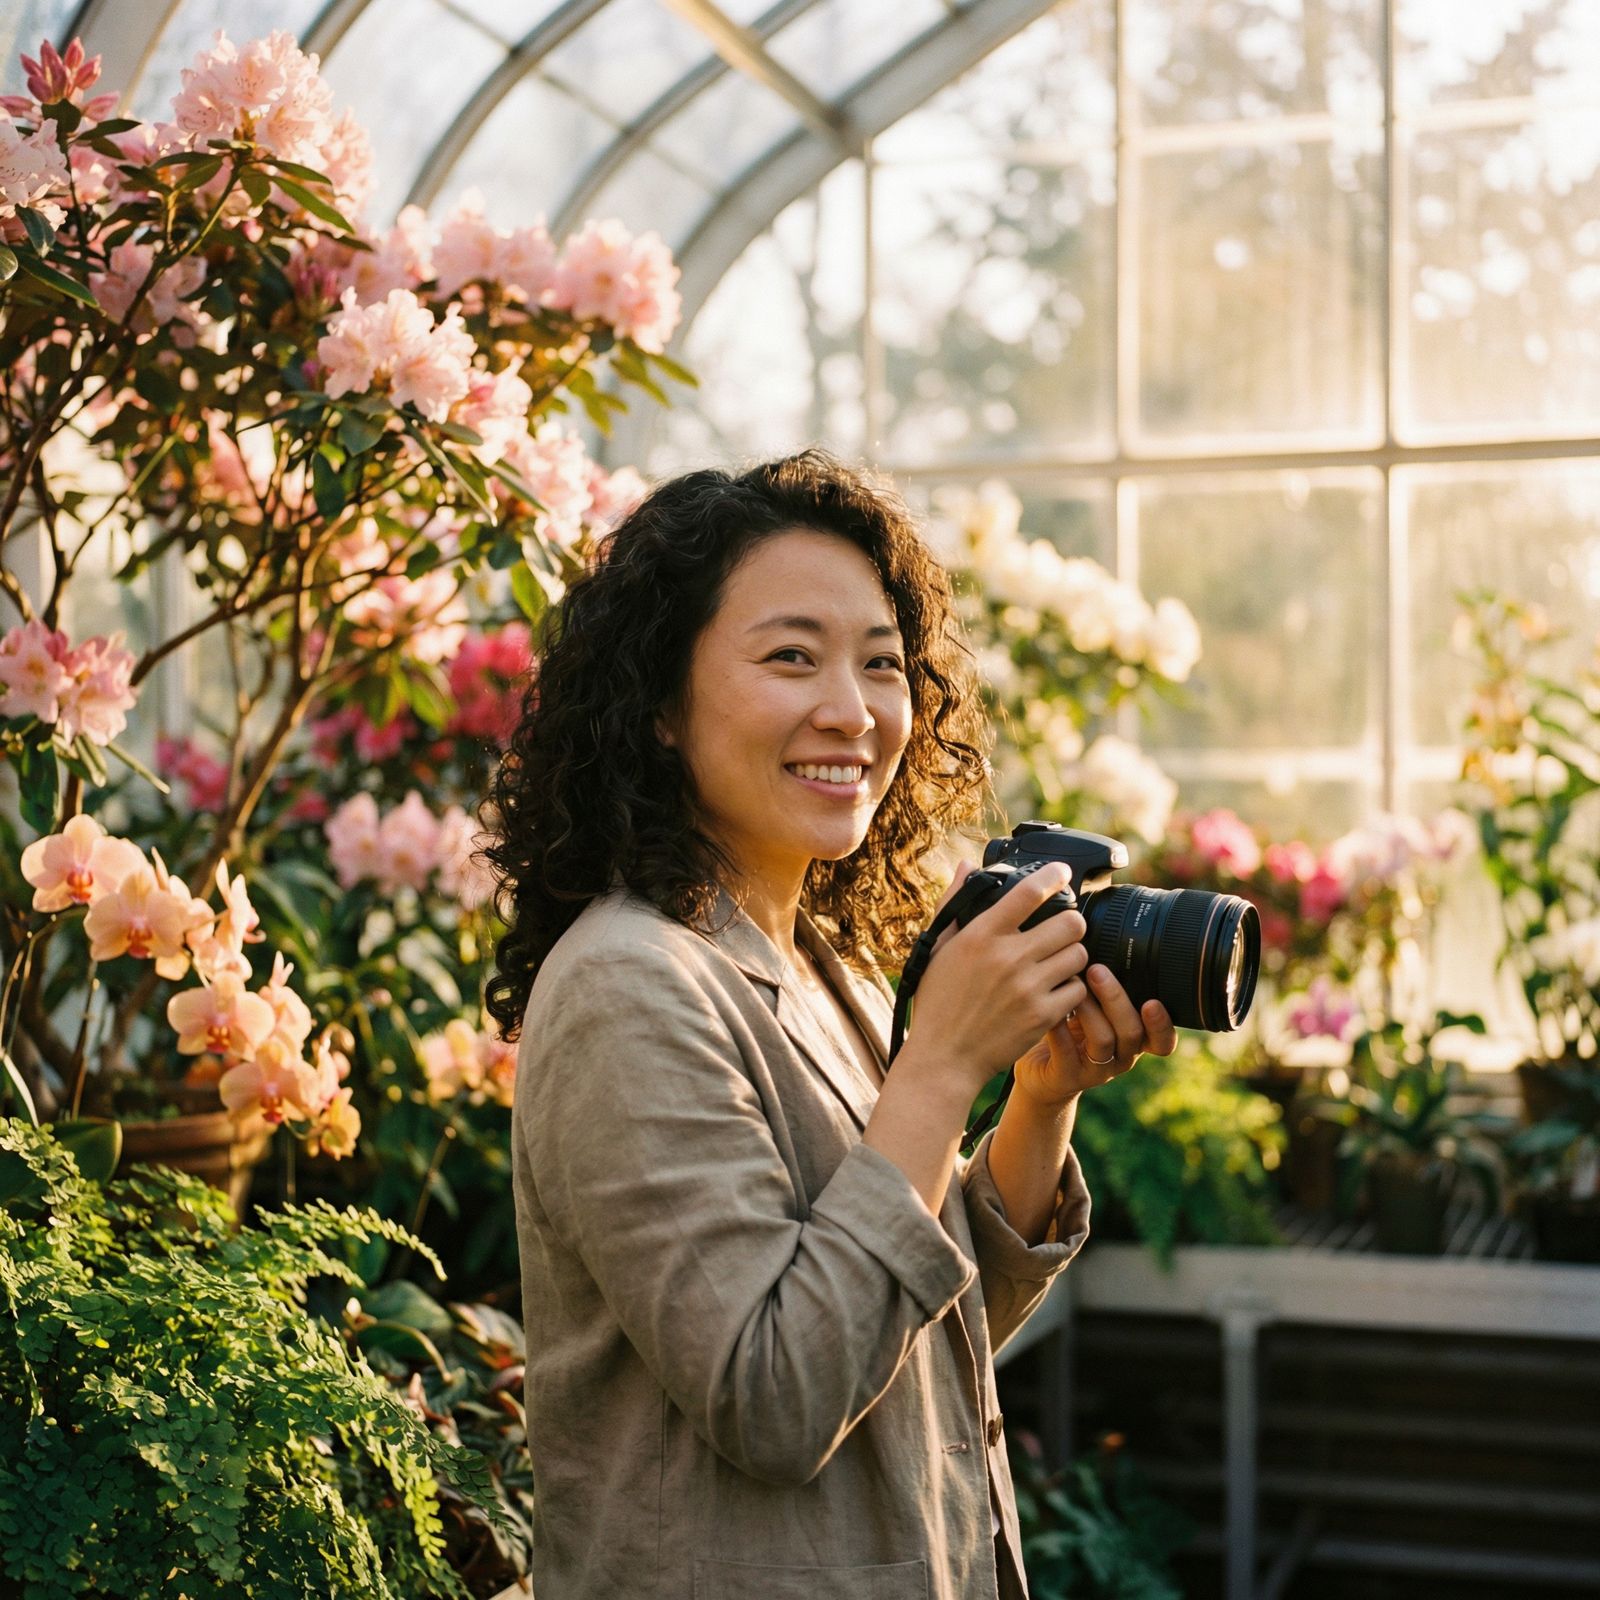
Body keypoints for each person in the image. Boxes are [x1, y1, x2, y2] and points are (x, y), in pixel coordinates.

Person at [484, 449, 1176, 1599]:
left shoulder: (829, 963)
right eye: (790, 657)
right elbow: (775, 1394)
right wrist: (944, 1062)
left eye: (882, 665)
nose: (851, 712)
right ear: (659, 701)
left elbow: (911, 1331)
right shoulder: (626, 981)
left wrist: (1037, 1099)